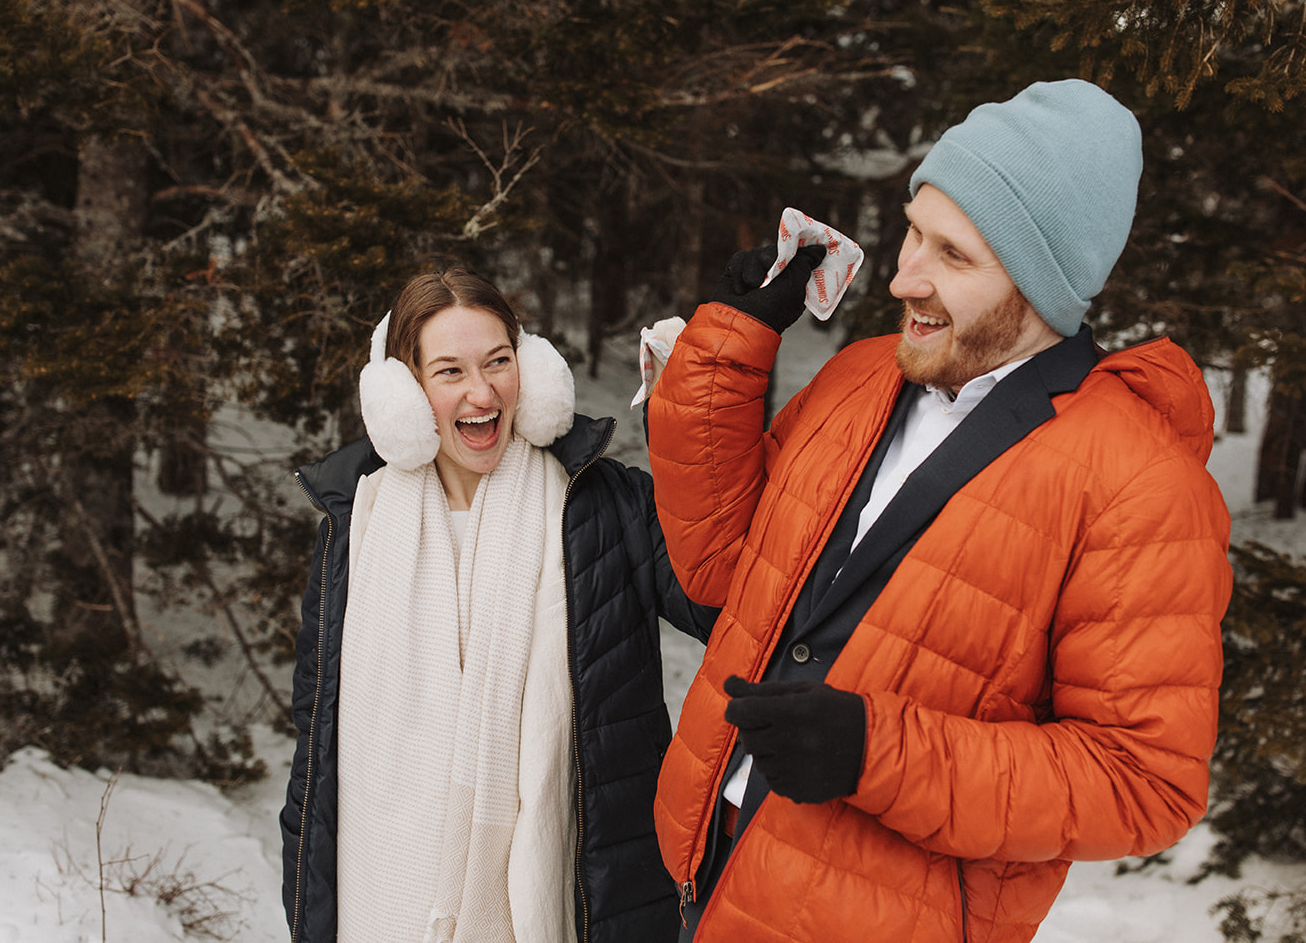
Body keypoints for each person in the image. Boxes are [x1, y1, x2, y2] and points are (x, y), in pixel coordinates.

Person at [646, 79, 1234, 942]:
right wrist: (728, 350)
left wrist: (874, 752)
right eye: (914, 230)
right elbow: (723, 573)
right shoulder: (865, 374)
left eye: (953, 256)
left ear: (1041, 283)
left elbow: (1144, 780)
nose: (901, 276)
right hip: (710, 868)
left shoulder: (1142, 484)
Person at [281, 267, 714, 943]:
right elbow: (315, 755)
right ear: (404, 393)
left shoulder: (600, 504)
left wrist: (699, 424)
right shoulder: (353, 524)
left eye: (499, 362)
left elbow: (727, 603)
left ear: (531, 370)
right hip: (380, 907)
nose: (482, 393)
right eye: (449, 371)